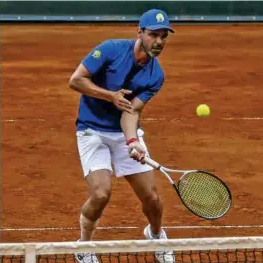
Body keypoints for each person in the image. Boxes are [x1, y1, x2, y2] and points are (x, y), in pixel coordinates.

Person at [69, 8, 175, 263]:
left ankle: (156, 235)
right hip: (91, 130)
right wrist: (110, 95)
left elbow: (131, 111)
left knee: (153, 199)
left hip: (122, 133)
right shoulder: (110, 49)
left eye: (163, 36)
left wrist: (132, 141)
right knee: (101, 194)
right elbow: (76, 80)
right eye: (153, 35)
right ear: (139, 32)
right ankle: (83, 245)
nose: (158, 42)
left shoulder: (155, 75)